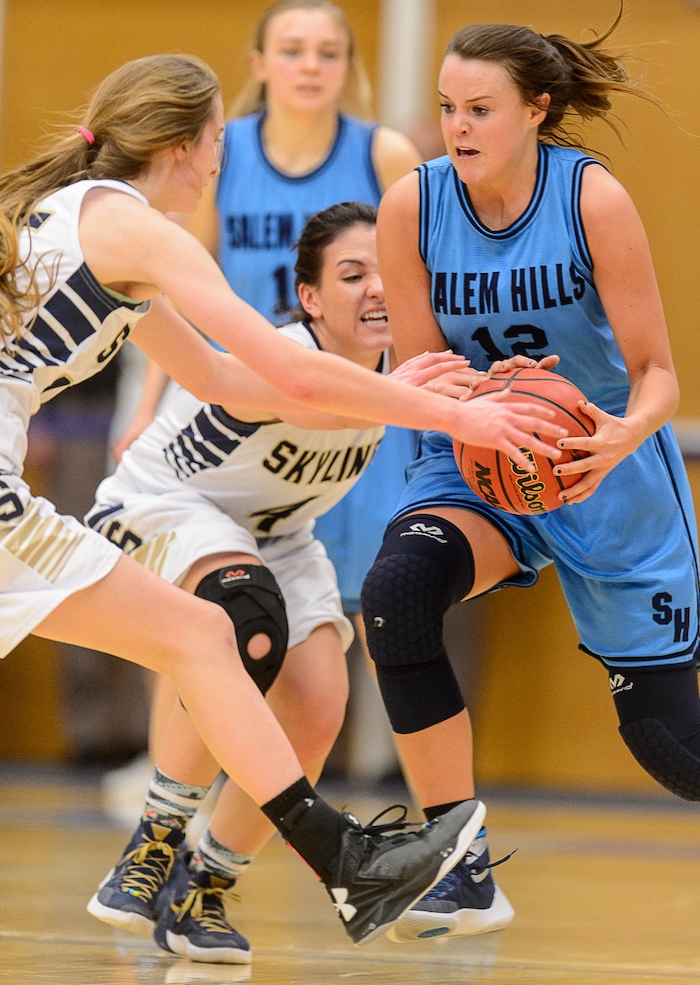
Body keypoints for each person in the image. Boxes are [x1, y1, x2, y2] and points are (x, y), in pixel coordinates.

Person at [0, 52, 567, 948]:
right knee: (208, 630)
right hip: (93, 498)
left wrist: (414, 392)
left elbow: (227, 375)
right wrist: (455, 409)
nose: (224, 161)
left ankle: (261, 870)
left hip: (181, 513)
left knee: (220, 646)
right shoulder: (138, 229)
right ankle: (334, 859)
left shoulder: (87, 226)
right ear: (187, 146)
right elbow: (285, 368)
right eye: (221, 141)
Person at [360, 14, 700, 944]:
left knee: (674, 752)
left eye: (481, 108)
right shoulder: (411, 205)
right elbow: (417, 370)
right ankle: (457, 863)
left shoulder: (595, 200)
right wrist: (472, 400)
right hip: (476, 464)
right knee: (396, 591)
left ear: (537, 110)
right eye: (447, 108)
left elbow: (657, 375)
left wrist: (616, 438)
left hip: (602, 469)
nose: (458, 127)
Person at [86, 201, 479, 964]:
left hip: (276, 533)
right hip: (166, 504)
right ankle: (151, 844)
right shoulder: (281, 355)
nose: (374, 291)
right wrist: (425, 402)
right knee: (246, 620)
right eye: (351, 274)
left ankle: (202, 888)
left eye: (385, 275)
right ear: (309, 297)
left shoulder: (402, 368)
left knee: (319, 701)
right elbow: (322, 404)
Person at [118, 0, 424, 656]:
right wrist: (145, 407)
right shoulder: (220, 154)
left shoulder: (384, 154)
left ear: (349, 66)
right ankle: (176, 757)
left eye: (328, 52)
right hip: (242, 404)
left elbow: (420, 285)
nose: (310, 66)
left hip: (357, 410)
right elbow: (177, 284)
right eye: (293, 51)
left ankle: (364, 761)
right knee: (211, 606)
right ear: (260, 62)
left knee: (376, 609)